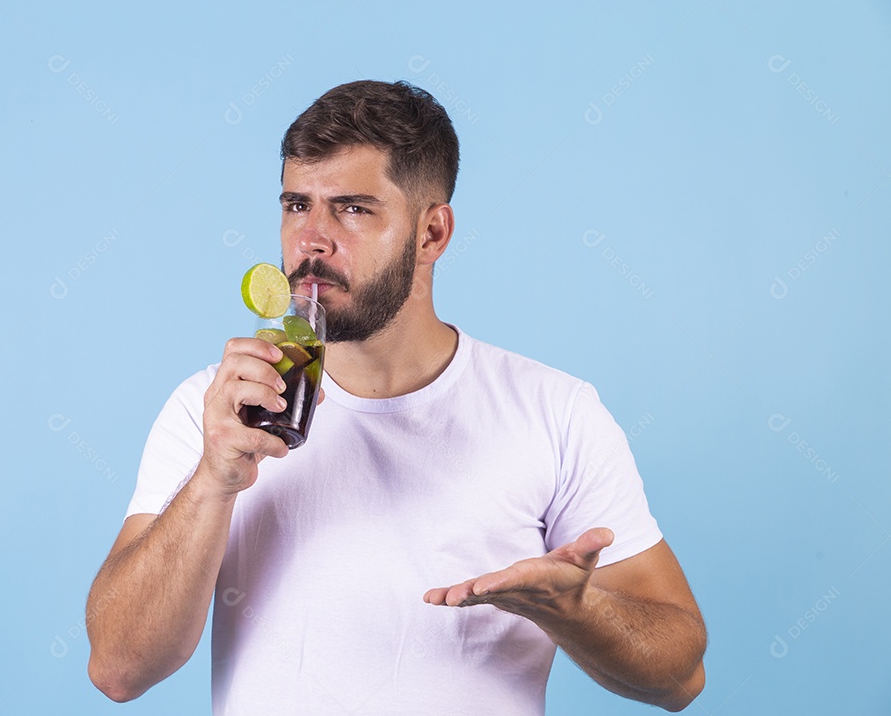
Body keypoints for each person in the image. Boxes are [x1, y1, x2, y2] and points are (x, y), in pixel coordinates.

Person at [86, 80, 707, 714]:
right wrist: (213, 480)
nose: (312, 240)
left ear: (432, 233)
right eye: (297, 205)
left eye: (353, 209)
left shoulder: (556, 413)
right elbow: (118, 670)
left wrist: (576, 610)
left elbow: (680, 678)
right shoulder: (216, 410)